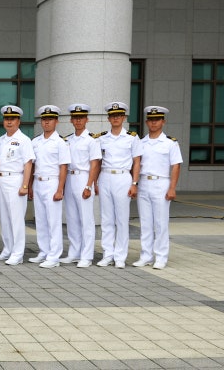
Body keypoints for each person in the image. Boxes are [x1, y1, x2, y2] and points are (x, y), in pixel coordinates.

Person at [134, 106, 182, 270]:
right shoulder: (141, 142)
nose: (153, 123)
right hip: (144, 183)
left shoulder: (170, 143)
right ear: (147, 122)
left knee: (160, 223)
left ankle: (161, 257)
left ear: (163, 121)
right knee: (145, 223)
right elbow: (137, 164)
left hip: (161, 183)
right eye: (151, 120)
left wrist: (172, 188)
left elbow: (176, 166)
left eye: (157, 120)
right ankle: (146, 255)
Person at [96, 101, 142, 269]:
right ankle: (108, 254)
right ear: (109, 118)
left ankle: (121, 256)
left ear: (123, 117)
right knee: (106, 218)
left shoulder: (132, 137)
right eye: (112, 115)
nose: (115, 118)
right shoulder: (101, 138)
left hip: (123, 178)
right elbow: (98, 162)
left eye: (118, 115)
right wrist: (94, 182)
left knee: (122, 219)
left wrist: (135, 183)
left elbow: (137, 161)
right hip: (105, 177)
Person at [28, 105, 70, 268]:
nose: (46, 122)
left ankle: (54, 256)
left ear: (56, 121)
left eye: (50, 119)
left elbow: (63, 167)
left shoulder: (60, 142)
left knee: (53, 221)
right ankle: (44, 251)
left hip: (52, 182)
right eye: (44, 119)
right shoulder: (36, 141)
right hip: (38, 182)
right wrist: (30, 185)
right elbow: (32, 165)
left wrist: (60, 189)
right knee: (41, 220)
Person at [61, 104, 102, 268]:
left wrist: (89, 185)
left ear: (87, 119)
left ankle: (87, 255)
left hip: (84, 178)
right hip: (70, 179)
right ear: (71, 120)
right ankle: (74, 252)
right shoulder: (68, 140)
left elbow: (95, 164)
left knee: (86, 219)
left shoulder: (92, 140)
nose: (78, 120)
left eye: (81, 117)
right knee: (71, 218)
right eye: (75, 117)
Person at [0, 105, 34, 266]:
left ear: (18, 121)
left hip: (16, 180)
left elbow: (28, 163)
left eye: (12, 119)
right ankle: (7, 248)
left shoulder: (24, 140)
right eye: (6, 119)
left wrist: (25, 185)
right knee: (4, 217)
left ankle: (17, 253)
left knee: (16, 219)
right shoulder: (0, 140)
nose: (9, 122)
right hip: (1, 180)